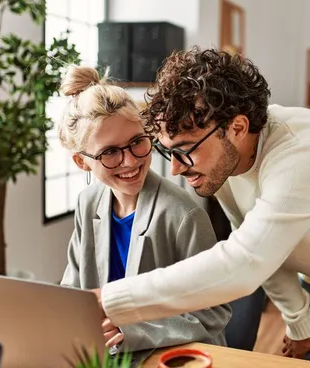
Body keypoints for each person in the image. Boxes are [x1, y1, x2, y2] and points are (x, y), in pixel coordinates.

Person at [94, 48, 310, 367]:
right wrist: (299, 322)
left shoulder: (302, 155)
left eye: (185, 151)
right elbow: (261, 244)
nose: (176, 170)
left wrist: (112, 300)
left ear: (237, 128)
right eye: (168, 152)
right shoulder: (222, 163)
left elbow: (245, 262)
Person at [56, 65, 231, 356]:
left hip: (172, 357)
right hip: (107, 356)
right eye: (110, 152)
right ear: (82, 162)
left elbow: (213, 313)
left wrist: (129, 333)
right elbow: (73, 292)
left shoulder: (184, 215)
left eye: (137, 142)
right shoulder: (88, 205)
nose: (129, 161)